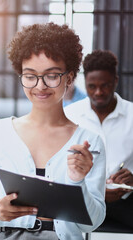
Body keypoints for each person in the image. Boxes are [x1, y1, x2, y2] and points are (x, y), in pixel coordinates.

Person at [0, 23, 106, 240]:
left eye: (51, 76)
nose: (40, 86)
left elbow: (92, 223)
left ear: (69, 78)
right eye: (30, 76)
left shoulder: (90, 141)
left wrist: (78, 180)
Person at [65, 49, 133, 228]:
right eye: (92, 86)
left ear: (115, 81)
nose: (98, 92)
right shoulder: (70, 115)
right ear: (84, 83)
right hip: (82, 199)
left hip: (126, 202)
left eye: (105, 85)